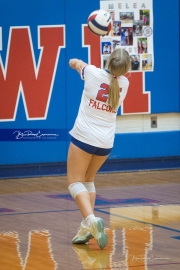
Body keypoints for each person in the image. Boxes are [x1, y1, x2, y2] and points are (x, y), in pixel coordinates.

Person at [67, 48, 130, 249]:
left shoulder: (93, 73)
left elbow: (76, 64)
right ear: (126, 69)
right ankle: (87, 227)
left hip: (84, 137)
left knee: (75, 181)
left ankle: (92, 220)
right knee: (89, 180)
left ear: (108, 61)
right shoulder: (125, 84)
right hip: (105, 143)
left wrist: (74, 60)